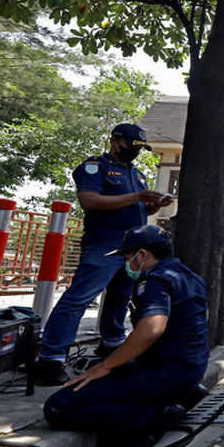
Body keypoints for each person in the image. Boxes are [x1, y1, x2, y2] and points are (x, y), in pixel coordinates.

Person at [43, 226, 209, 447]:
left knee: (59, 406)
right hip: (190, 369)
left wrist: (107, 366)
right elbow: (203, 317)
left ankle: (150, 415)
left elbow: (152, 329)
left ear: (142, 254)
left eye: (127, 256)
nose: (126, 263)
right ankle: (184, 394)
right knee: (99, 369)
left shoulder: (153, 280)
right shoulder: (189, 276)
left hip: (165, 374)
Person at [36, 124, 173, 386]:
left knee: (121, 296)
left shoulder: (139, 175)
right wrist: (137, 196)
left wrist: (154, 204)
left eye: (138, 149)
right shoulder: (95, 167)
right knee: (79, 298)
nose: (134, 152)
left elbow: (143, 210)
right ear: (114, 141)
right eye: (129, 146)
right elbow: (89, 201)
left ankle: (112, 343)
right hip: (104, 244)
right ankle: (51, 357)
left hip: (133, 248)